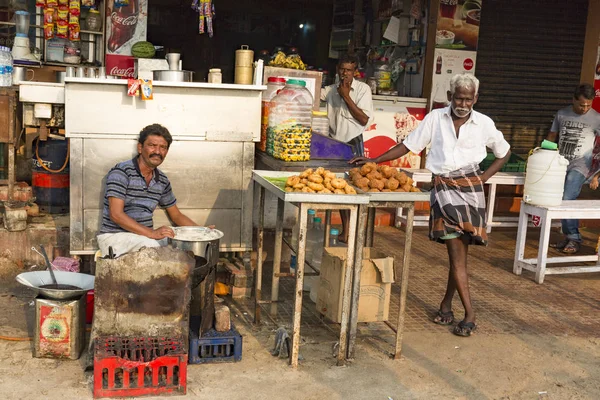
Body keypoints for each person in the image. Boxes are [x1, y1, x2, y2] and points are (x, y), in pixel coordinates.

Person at [351, 73, 511, 337]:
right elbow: (408, 146)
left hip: (472, 189)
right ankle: (469, 313)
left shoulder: (484, 123)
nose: (463, 103)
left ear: (475, 99)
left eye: (468, 99)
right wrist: (375, 161)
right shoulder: (435, 118)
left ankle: (447, 306)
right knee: (456, 254)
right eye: (459, 97)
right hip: (444, 188)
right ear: (450, 97)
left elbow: (503, 152)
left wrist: (483, 177)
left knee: (459, 254)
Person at [96, 123, 199, 257]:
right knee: (153, 248)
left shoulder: (162, 180)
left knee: (180, 245)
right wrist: (152, 233)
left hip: (144, 238)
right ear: (140, 148)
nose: (157, 151)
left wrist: (201, 231)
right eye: (152, 145)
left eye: (163, 147)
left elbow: (176, 216)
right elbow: (116, 214)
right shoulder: (122, 172)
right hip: (115, 238)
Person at [321, 53, 374, 242]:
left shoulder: (362, 90)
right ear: (337, 70)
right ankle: (346, 231)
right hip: (335, 144)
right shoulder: (330, 90)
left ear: (355, 72)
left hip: (353, 143)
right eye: (342, 70)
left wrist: (346, 97)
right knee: (341, 188)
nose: (345, 74)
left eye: (349, 71)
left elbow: (364, 119)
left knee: (356, 187)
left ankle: (355, 231)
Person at [546, 84, 600, 254]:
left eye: (588, 105)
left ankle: (574, 238)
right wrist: (545, 157)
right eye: (581, 105)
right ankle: (569, 236)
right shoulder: (562, 114)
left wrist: (597, 174)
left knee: (568, 197)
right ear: (573, 100)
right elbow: (552, 136)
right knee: (561, 200)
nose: (585, 109)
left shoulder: (597, 118)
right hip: (560, 163)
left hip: (582, 165)